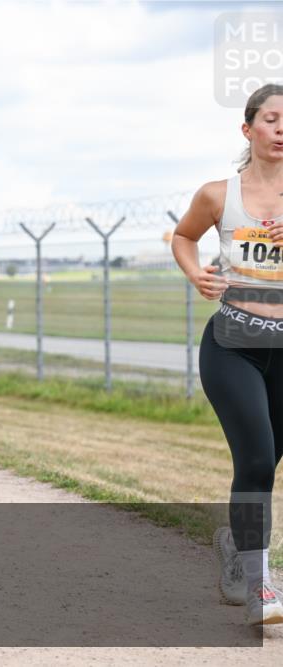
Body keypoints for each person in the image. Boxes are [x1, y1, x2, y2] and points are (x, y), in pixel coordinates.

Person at [172, 83, 283, 626]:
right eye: (272, 118)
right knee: (257, 460)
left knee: (265, 464)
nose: (281, 129)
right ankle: (262, 587)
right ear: (248, 128)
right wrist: (196, 274)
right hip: (233, 344)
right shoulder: (218, 195)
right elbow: (183, 237)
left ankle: (237, 549)